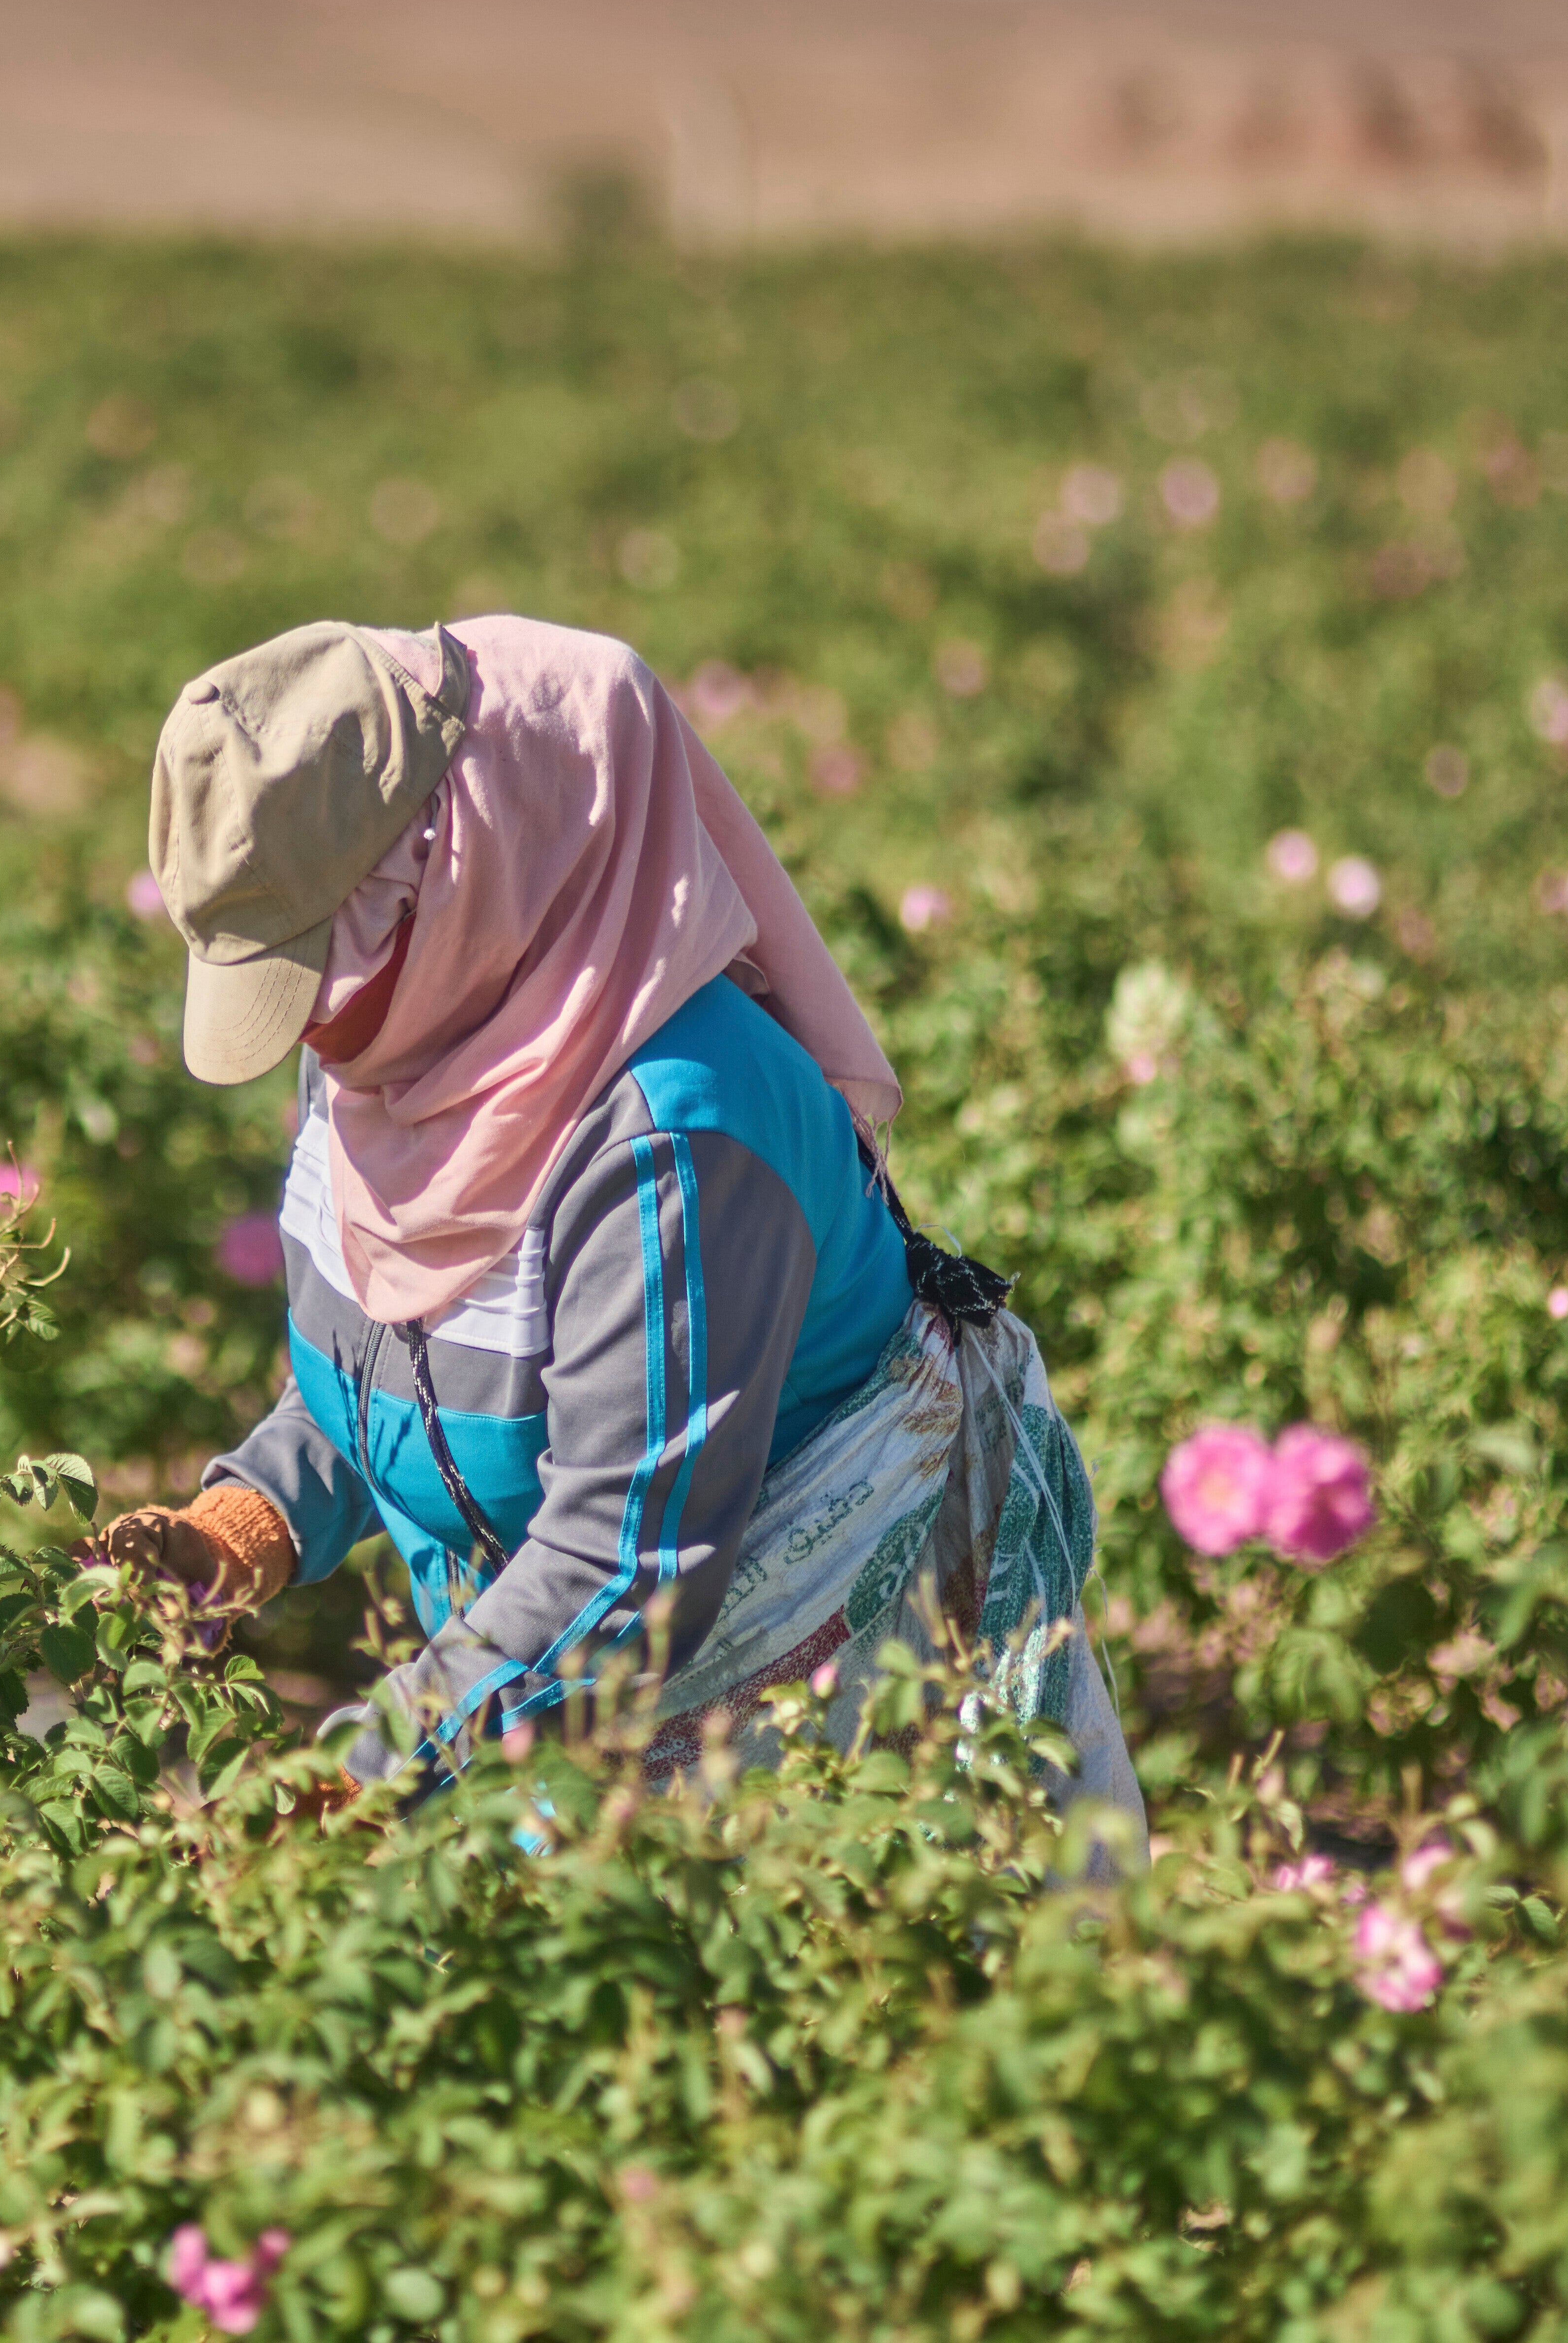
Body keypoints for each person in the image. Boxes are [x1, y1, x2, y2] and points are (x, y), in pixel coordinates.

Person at [95, 616, 1138, 1824]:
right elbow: (398, 1367)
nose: (305, 1031)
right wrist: (243, 1523)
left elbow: (620, 1566)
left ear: (452, 885)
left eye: (310, 972)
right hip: (528, 1686)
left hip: (818, 1719)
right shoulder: (392, 1043)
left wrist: (354, 1771)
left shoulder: (671, 1141)